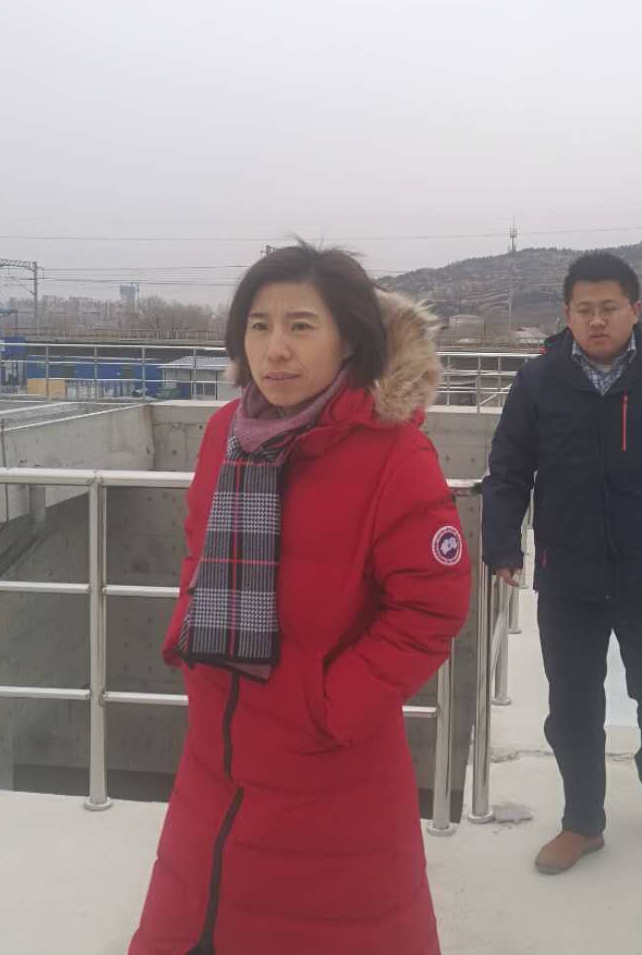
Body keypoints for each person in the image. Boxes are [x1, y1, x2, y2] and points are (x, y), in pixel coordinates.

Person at [130, 244, 470, 955]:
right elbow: (197, 548)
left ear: (348, 339)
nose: (275, 349)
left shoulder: (392, 453)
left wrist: (328, 704)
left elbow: (430, 610)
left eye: (301, 326)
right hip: (216, 749)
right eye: (259, 326)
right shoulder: (225, 433)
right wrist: (188, 638)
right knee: (193, 919)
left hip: (328, 767)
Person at [482, 251, 642, 876]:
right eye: (584, 309)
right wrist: (503, 544)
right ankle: (583, 822)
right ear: (567, 314)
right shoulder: (538, 381)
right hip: (570, 574)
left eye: (609, 308)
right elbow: (509, 469)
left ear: (635, 310)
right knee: (572, 707)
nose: (597, 321)